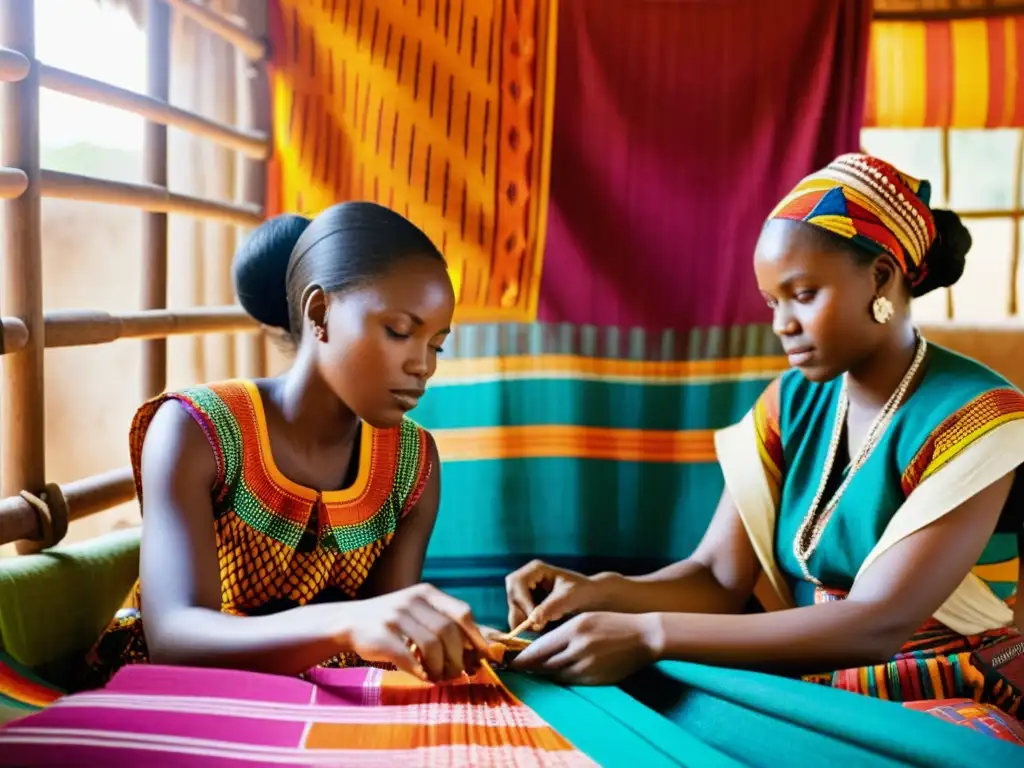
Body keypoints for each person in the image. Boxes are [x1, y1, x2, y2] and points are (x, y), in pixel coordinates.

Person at [504, 153, 1024, 719]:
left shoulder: (979, 417)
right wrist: (598, 591)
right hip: (820, 683)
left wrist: (648, 634)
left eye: (803, 294)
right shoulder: (790, 404)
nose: (782, 324)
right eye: (773, 302)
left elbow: (879, 622)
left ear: (881, 276)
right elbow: (716, 578)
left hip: (950, 692)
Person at [81, 202, 492, 689]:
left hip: (322, 706)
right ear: (319, 312)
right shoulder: (197, 430)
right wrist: (346, 624)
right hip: (175, 701)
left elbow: (386, 653)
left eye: (436, 345)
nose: (423, 365)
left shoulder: (411, 465)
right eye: (400, 331)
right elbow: (176, 638)